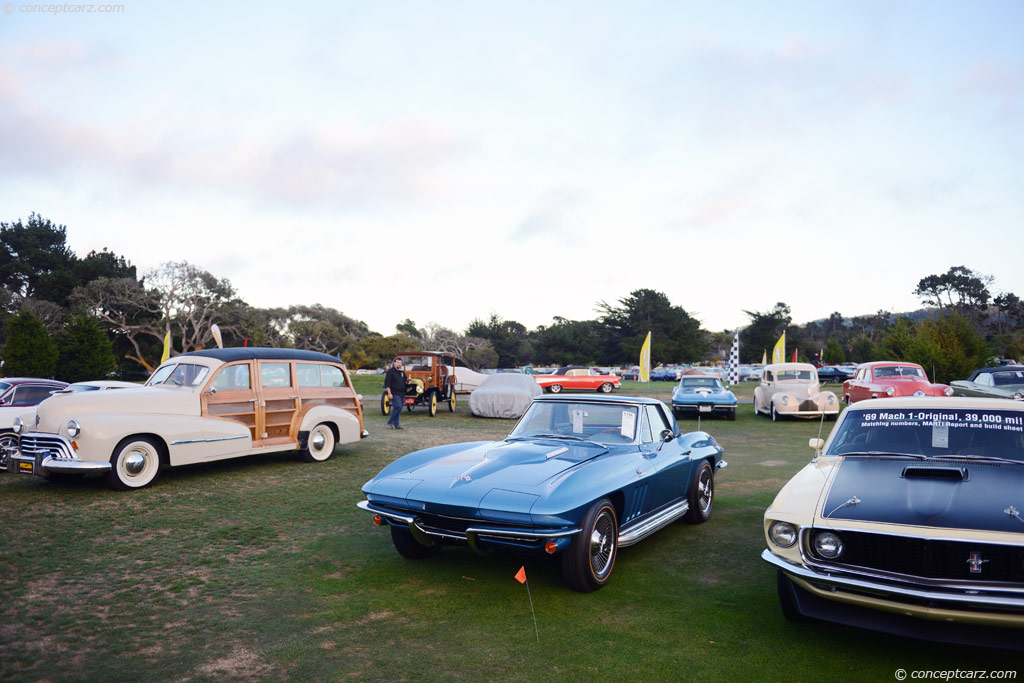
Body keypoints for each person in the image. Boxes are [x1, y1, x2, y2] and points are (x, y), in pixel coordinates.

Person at [384, 357, 407, 429]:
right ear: (394, 363)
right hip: (394, 392)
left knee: (399, 408)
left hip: (401, 393)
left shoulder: (402, 372)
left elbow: (405, 381)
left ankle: (397, 425)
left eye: (400, 363)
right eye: (397, 362)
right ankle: (390, 422)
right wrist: (389, 393)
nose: (399, 364)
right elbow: (387, 384)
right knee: (398, 407)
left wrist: (408, 382)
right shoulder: (390, 372)